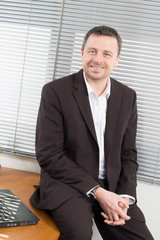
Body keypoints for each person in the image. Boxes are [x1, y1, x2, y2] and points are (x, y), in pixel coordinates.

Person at [30, 26, 154, 240]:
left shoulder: (128, 96)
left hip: (114, 187)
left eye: (107, 54)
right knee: (78, 235)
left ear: (117, 60)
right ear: (82, 53)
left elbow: (129, 154)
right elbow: (49, 155)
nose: (98, 59)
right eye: (92, 51)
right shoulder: (55, 92)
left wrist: (124, 197)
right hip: (67, 185)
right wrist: (98, 192)